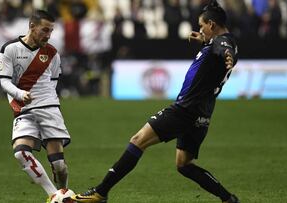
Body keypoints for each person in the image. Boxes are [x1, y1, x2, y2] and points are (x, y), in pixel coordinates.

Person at [71, 1, 240, 203]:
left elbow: (224, 48)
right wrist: (205, 41)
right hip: (202, 113)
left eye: (202, 25)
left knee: (138, 140)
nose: (199, 29)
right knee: (184, 164)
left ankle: (101, 192)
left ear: (212, 24)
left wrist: (227, 54)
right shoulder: (217, 42)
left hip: (185, 110)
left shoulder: (222, 43)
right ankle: (228, 198)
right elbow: (219, 49)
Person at [0, 10, 70, 202]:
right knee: (21, 153)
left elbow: (53, 82)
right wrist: (20, 94)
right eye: (45, 30)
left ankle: (64, 193)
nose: (48, 35)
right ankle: (53, 195)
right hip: (24, 109)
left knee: (60, 166)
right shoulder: (10, 49)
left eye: (51, 31)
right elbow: (4, 82)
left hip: (49, 109)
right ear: (32, 26)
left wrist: (46, 102)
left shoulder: (52, 53)